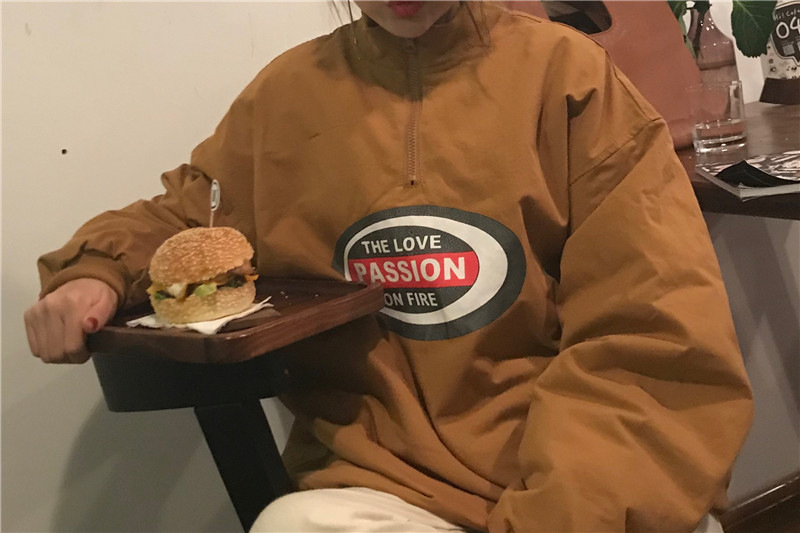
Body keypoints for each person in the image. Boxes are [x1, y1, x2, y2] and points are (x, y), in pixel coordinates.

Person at [24, 1, 753, 531]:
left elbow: (651, 341)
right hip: (381, 490)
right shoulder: (282, 100)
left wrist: (559, 513)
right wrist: (95, 269)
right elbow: (186, 215)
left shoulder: (570, 81)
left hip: (579, 486)